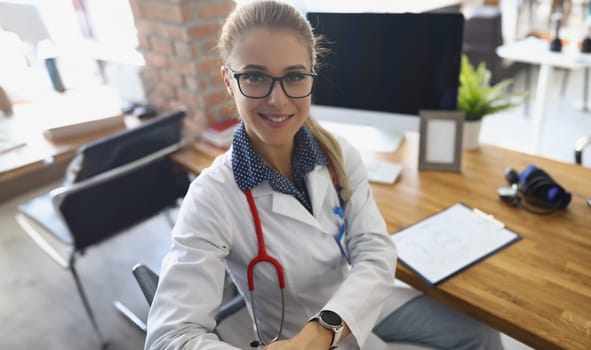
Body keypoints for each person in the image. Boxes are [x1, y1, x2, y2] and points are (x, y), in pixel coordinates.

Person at [145, 1, 503, 349]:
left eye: (294, 76)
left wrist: (323, 331)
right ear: (228, 81)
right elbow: (170, 337)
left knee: (482, 337)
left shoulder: (338, 154)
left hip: (355, 302)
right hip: (291, 334)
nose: (277, 99)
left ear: (311, 77)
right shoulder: (212, 197)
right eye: (254, 76)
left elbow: (374, 249)